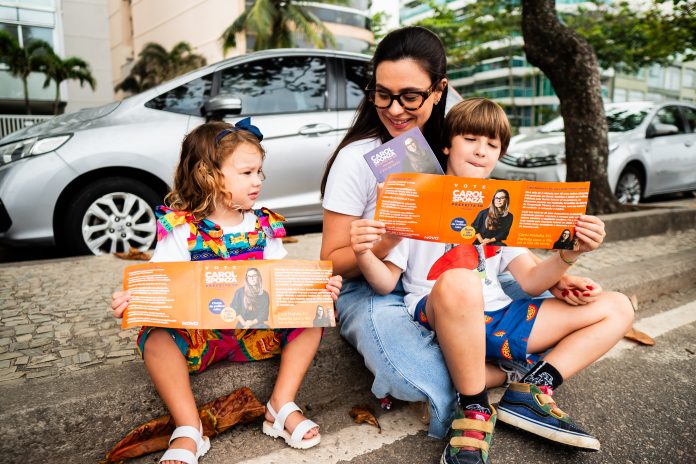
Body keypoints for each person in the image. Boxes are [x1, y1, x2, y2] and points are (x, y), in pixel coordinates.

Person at [320, 25, 592, 439]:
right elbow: (330, 262)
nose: (395, 109)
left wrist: (557, 270)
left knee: (582, 302)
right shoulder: (358, 158)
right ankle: (510, 374)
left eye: (410, 96)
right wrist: (373, 246)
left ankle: (491, 375)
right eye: (382, 94)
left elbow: (495, 223)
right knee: (410, 378)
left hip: (463, 278)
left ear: (438, 89)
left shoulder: (458, 131)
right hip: (376, 277)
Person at [351, 98, 635, 464]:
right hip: (443, 309)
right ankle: (474, 410)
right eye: (471, 139)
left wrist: (569, 255)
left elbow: (531, 281)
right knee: (460, 280)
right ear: (447, 145)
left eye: (493, 145)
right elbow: (386, 283)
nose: (482, 150)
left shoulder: (503, 208)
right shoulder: (418, 198)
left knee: (617, 307)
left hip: (499, 315)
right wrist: (364, 253)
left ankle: (532, 389)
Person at [111, 119, 342, 464]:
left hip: (254, 333)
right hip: (199, 337)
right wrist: (134, 300)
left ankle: (280, 404)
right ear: (208, 175)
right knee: (154, 336)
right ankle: (189, 427)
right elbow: (159, 283)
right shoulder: (182, 230)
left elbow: (281, 280)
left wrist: (316, 288)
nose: (258, 181)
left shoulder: (263, 225)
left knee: (312, 312)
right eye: (247, 172)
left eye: (260, 172)